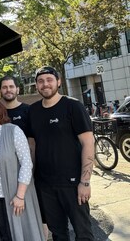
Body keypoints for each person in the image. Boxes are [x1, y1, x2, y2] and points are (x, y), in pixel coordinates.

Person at [28, 66, 94, 241]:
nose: (45, 84)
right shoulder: (33, 111)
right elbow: (33, 146)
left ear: (58, 82)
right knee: (58, 234)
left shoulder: (73, 106)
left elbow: (88, 143)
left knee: (84, 234)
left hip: (73, 184)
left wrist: (85, 182)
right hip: (46, 185)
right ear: (36, 85)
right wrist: (32, 177)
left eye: (49, 79)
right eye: (40, 81)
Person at [0, 93, 45, 241]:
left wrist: (20, 196)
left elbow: (27, 163)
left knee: (19, 235)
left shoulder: (13, 131)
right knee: (4, 235)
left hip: (13, 196)